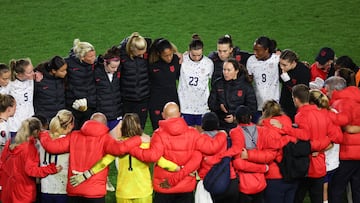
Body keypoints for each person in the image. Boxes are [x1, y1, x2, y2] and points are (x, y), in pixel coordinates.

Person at [69, 113, 180, 203]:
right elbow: (161, 162)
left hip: (123, 192)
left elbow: (103, 162)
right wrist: (179, 168)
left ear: (123, 127)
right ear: (138, 125)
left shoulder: (118, 146)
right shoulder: (146, 144)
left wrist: (85, 175)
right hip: (143, 191)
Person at [130, 102, 227, 203]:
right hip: (186, 187)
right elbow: (211, 148)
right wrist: (222, 134)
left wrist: (133, 148)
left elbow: (152, 156)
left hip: (164, 186)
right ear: (180, 114)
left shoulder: (158, 134)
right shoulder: (193, 133)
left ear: (163, 115)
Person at [38, 112, 146, 203]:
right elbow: (121, 149)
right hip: (94, 193)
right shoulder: (105, 139)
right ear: (105, 125)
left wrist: (43, 134)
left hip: (74, 188)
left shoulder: (75, 135)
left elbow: (52, 147)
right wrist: (138, 139)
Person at [271, 84, 342, 203]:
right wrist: (320, 149)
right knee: (317, 198)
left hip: (304, 166)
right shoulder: (324, 114)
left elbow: (305, 137)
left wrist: (284, 128)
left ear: (296, 99)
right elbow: (337, 137)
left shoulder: (300, 116)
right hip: (319, 166)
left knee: (297, 198)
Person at [0, 117, 62, 203]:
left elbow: (2, 164)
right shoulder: (29, 148)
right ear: (36, 132)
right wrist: (51, 169)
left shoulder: (11, 142)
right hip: (23, 193)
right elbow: (31, 171)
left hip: (7, 191)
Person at [324, 76, 360, 203]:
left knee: (337, 189)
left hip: (347, 153)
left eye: (327, 91)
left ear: (333, 90)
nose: (326, 94)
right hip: (357, 154)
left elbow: (347, 127)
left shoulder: (340, 103)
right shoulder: (356, 98)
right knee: (357, 188)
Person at [258, 100, 299, 203]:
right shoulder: (289, 125)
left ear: (264, 112)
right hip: (292, 173)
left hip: (273, 176)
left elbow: (265, 154)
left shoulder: (263, 129)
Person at [196, 112, 239, 203]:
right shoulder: (227, 140)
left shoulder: (198, 141)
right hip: (230, 180)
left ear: (203, 125)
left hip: (210, 182)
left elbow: (196, 162)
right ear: (217, 124)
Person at [208, 58, 256, 132]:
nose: (225, 73)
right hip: (220, 125)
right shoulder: (218, 83)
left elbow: (252, 107)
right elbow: (211, 103)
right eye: (224, 69)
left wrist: (235, 118)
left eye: (228, 70)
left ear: (236, 71)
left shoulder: (245, 86)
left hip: (239, 127)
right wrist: (219, 106)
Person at [178, 34, 213, 131]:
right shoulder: (182, 60)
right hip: (186, 105)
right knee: (187, 134)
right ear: (189, 50)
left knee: (201, 133)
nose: (197, 58)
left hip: (203, 105)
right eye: (194, 55)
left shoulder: (208, 63)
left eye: (199, 55)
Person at [38, 109, 74, 203]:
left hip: (45, 186)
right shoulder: (71, 142)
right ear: (70, 125)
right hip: (63, 188)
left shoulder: (42, 138)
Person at [118, 32, 152, 129]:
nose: (142, 55)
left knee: (140, 127)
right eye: (139, 54)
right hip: (127, 99)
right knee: (126, 128)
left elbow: (164, 46)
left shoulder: (149, 48)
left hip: (143, 97)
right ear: (132, 50)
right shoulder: (120, 54)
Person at [148, 38, 180, 130]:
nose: (169, 58)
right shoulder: (151, 64)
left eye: (170, 54)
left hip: (172, 100)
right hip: (156, 103)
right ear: (159, 54)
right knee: (158, 130)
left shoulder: (176, 60)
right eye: (165, 56)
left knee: (174, 129)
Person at [246, 36, 280, 123]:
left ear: (266, 50)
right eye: (254, 50)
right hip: (257, 105)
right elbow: (249, 80)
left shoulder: (277, 59)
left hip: (274, 105)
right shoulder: (251, 61)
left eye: (258, 50)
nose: (255, 53)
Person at [65, 38, 96, 130]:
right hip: (74, 106)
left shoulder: (96, 64)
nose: (94, 58)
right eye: (90, 57)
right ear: (82, 57)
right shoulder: (67, 63)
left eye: (94, 55)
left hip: (90, 105)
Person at [94, 46, 123, 130]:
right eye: (113, 67)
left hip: (116, 113)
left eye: (117, 67)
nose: (115, 70)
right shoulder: (96, 72)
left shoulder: (118, 71)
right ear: (105, 63)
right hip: (102, 115)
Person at [278, 49, 310, 122]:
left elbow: (301, 93)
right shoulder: (281, 67)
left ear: (293, 63)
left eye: (284, 65)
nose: (281, 67)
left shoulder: (303, 71)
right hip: (284, 101)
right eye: (280, 64)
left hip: (297, 105)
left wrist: (288, 81)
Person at [34, 56, 67, 123]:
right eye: (62, 71)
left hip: (60, 118)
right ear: (53, 71)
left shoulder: (62, 78)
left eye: (65, 70)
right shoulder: (39, 79)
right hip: (45, 119)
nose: (65, 72)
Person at [7, 58, 35, 137]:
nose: (33, 73)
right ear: (20, 74)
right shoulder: (10, 85)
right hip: (15, 126)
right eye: (29, 72)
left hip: (30, 122)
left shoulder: (30, 79)